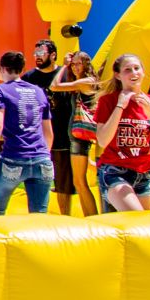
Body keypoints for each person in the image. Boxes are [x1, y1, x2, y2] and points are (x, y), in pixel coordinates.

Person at [91, 54, 150, 211]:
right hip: (115, 171)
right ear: (118, 75)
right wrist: (120, 106)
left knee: (140, 230)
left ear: (143, 71)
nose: (134, 73)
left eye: (137, 68)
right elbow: (102, 141)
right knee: (137, 219)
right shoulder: (108, 101)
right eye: (128, 70)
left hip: (144, 173)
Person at [0, 52, 54, 218]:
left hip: (13, 159)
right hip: (42, 160)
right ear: (22, 69)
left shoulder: (0, 90)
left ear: (1, 69)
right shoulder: (38, 91)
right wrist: (45, 156)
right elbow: (48, 132)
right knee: (39, 217)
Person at [52, 49, 101, 216]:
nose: (75, 67)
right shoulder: (83, 82)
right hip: (77, 137)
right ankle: (91, 216)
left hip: (80, 137)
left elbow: (55, 86)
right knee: (79, 180)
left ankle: (92, 218)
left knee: (80, 182)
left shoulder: (86, 81)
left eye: (79, 64)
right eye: (73, 64)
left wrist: (63, 67)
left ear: (87, 64)